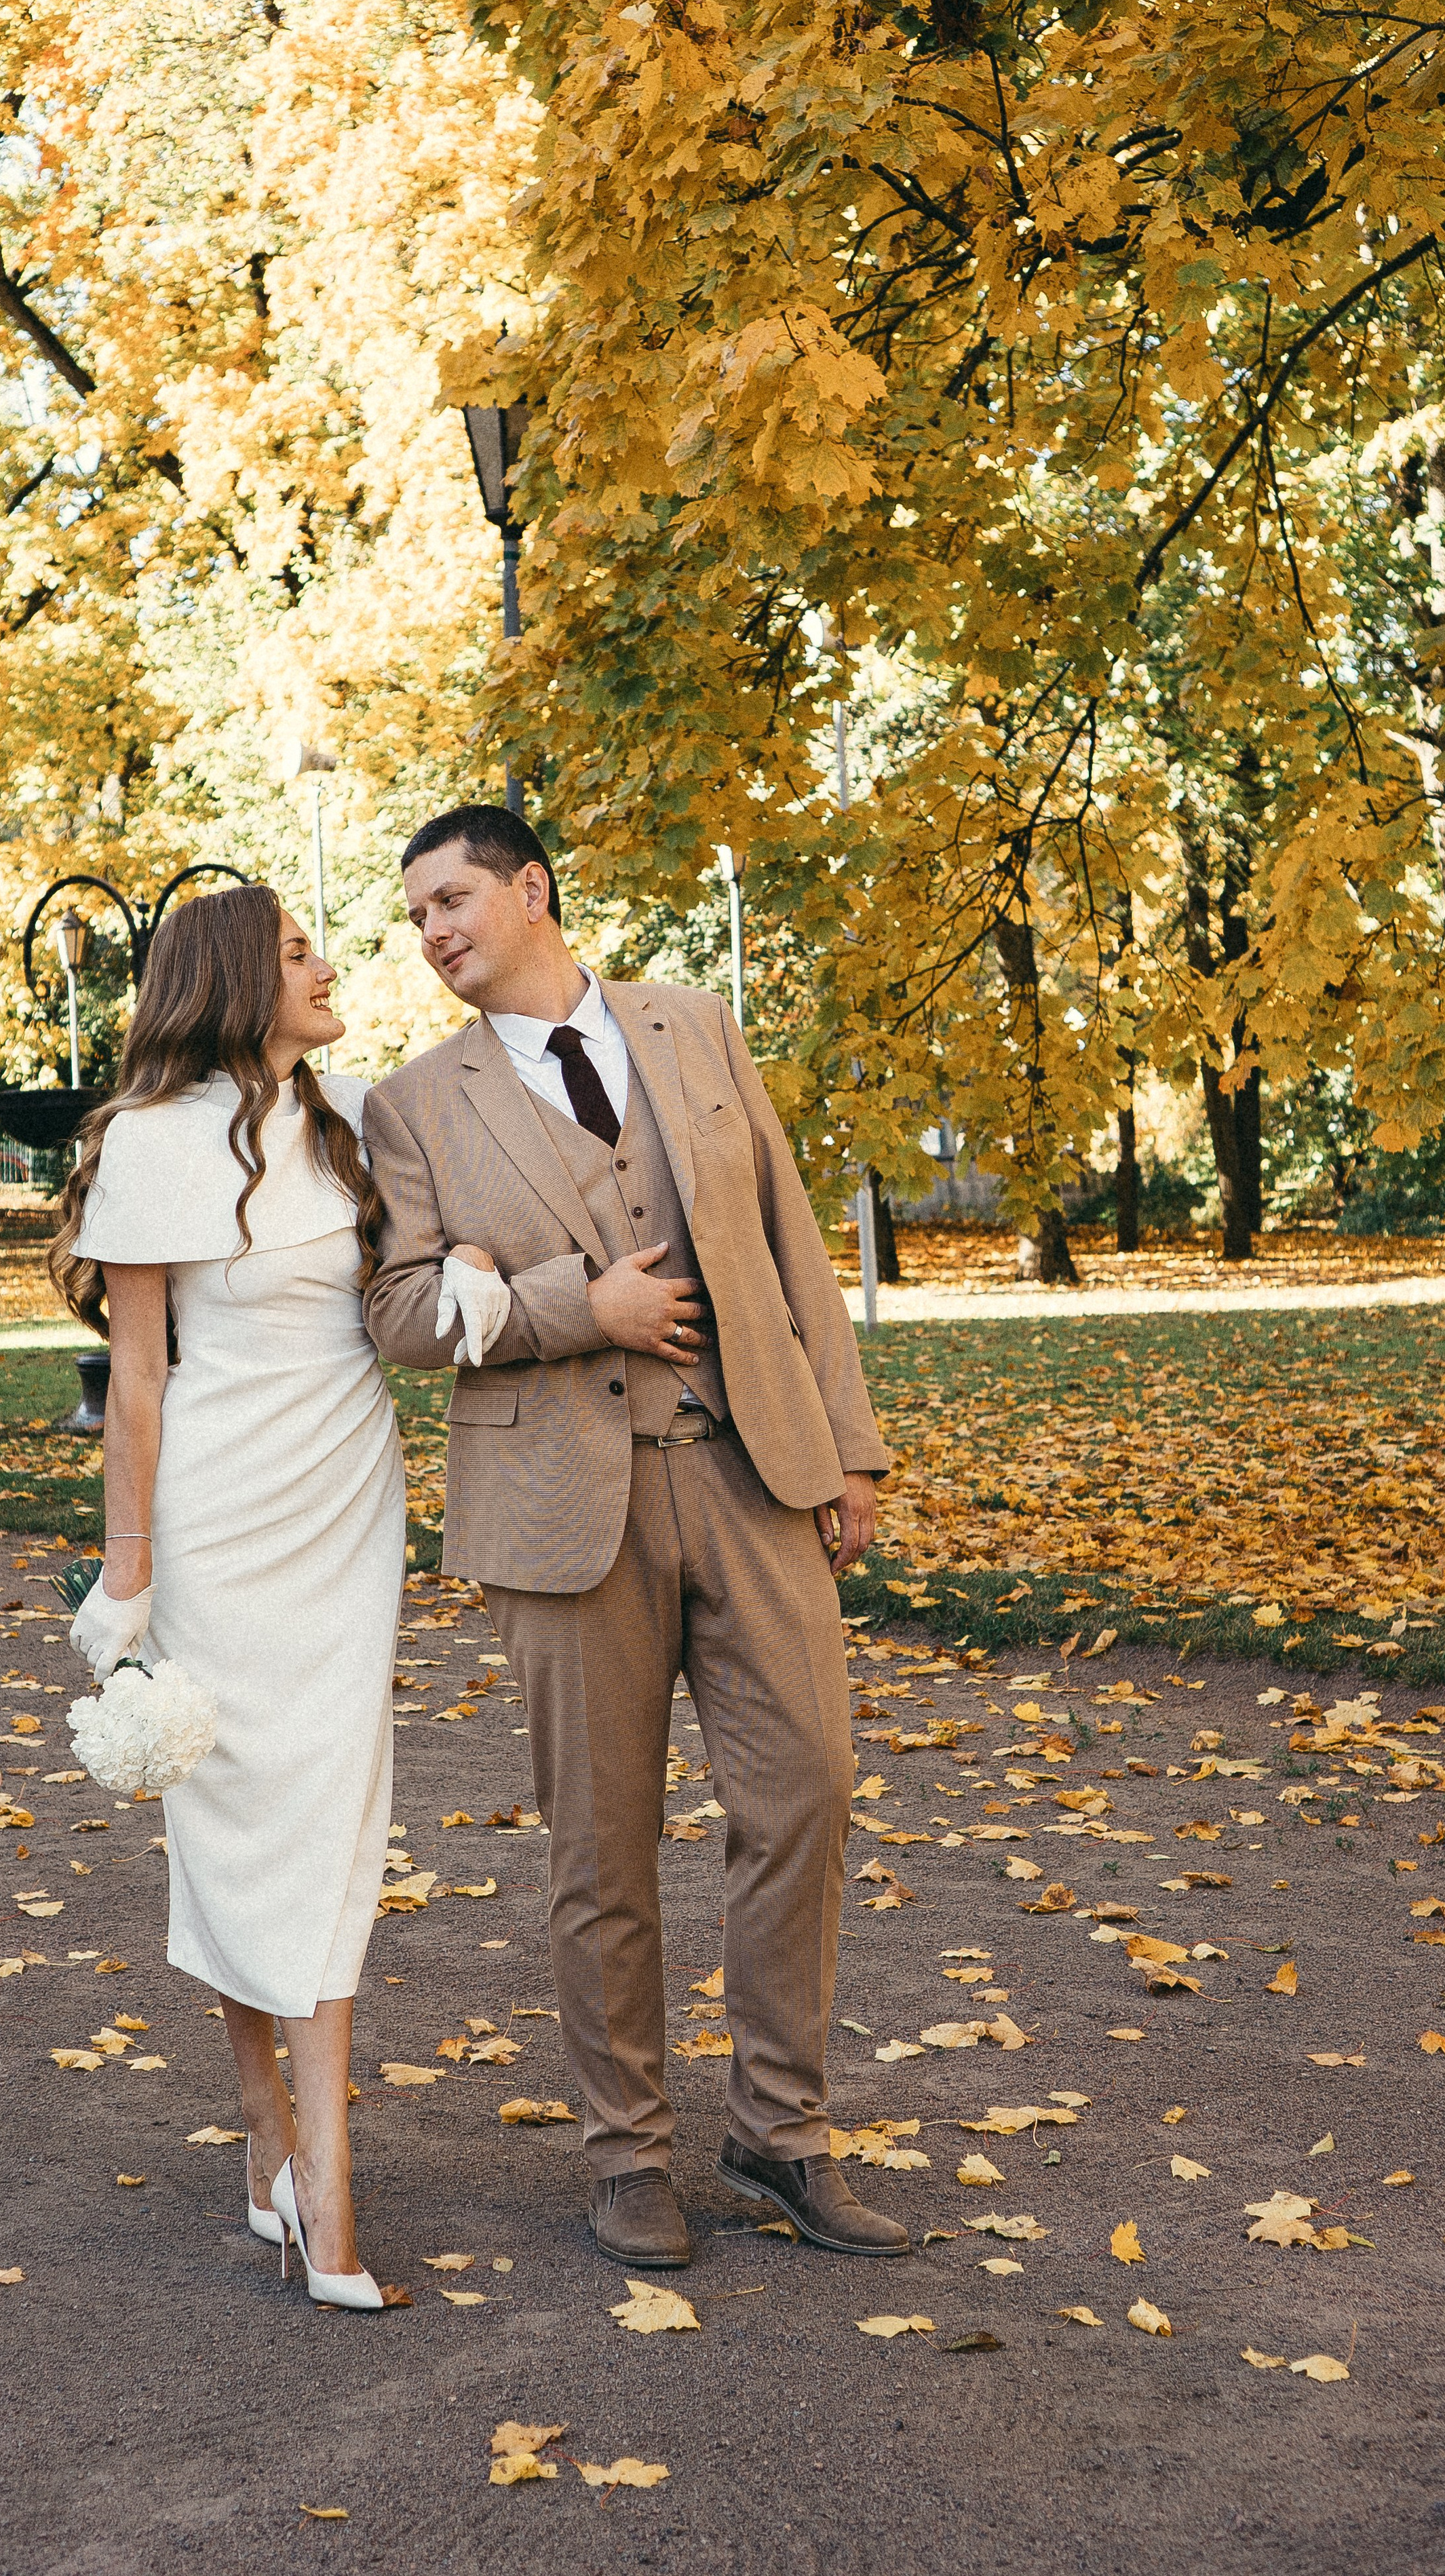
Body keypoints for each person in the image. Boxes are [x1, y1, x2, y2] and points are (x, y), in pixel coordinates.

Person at [363, 803, 908, 2267]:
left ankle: (781, 2134)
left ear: (532, 890)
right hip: (559, 1515)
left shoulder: (694, 1026)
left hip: (749, 1470)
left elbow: (790, 1239)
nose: (432, 934)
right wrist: (571, 1307)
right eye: (415, 918)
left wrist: (848, 1445)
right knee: (601, 1849)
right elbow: (399, 1312)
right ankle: (627, 2156)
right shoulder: (413, 1106)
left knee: (806, 1791)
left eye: (451, 900)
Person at [47, 884, 508, 2311]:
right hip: (217, 1516)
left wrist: (471, 1273)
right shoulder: (147, 1141)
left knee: (330, 1817)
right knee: (235, 1820)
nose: (325, 967)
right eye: (297, 952)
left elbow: (421, 1275)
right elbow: (137, 1378)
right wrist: (127, 1576)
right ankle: (288, 2149)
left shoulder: (360, 1114)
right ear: (238, 983)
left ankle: (315, 2168)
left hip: (343, 1503)